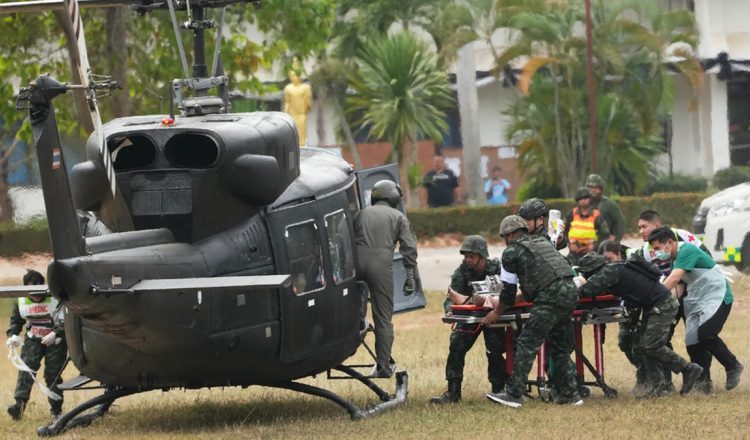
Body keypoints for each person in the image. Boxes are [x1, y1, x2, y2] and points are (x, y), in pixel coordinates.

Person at [484, 215, 582, 408]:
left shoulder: (511, 252)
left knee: (527, 343)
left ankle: (514, 394)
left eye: (504, 237)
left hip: (549, 297)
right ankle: (571, 395)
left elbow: (508, 291)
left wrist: (496, 313)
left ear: (509, 235)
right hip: (571, 293)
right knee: (560, 347)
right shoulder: (542, 242)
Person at [575, 252, 704, 397]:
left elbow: (585, 291)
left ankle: (688, 369)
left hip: (662, 305)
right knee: (644, 346)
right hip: (655, 305)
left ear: (591, 270)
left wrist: (581, 282)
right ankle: (659, 387)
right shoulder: (615, 268)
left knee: (651, 345)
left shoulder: (608, 272)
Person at [648, 226, 743, 394]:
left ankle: (732, 365)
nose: (656, 253)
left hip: (717, 296)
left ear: (669, 242)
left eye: (657, 248)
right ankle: (702, 383)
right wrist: (664, 305)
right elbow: (679, 289)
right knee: (692, 342)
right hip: (697, 301)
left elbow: (674, 278)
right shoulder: (675, 259)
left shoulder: (686, 251)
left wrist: (653, 298)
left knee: (706, 334)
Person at [635, 209, 711, 393]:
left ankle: (703, 382)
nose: (641, 231)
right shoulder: (645, 250)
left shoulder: (682, 236)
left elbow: (706, 259)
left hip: (692, 293)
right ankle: (665, 384)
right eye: (639, 228)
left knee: (695, 337)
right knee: (660, 337)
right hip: (668, 296)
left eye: (644, 226)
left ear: (657, 225)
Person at [431, 235, 508, 404]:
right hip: (470, 316)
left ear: (482, 256)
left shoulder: (497, 269)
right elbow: (451, 297)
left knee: (494, 350)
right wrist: (449, 311)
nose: (467, 260)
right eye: (466, 256)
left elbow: (507, 292)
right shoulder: (461, 272)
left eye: (471, 256)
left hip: (494, 315)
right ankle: (453, 392)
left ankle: (499, 389)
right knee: (456, 346)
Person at [354, 180, 419, 378]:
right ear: (394, 196)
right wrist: (410, 276)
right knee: (383, 317)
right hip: (381, 265)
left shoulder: (361, 213)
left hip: (355, 263)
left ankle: (358, 325)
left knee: (354, 310)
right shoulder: (398, 217)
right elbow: (409, 247)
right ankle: (383, 365)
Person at [6, 269, 66, 421]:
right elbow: (16, 321)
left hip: (55, 341)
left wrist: (56, 333)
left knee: (53, 374)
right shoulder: (21, 302)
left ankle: (56, 410)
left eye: (39, 291)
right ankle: (19, 406)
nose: (37, 296)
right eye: (32, 291)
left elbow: (67, 321)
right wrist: (13, 335)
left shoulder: (55, 299)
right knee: (25, 371)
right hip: (33, 339)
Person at [564, 187, 609, 265]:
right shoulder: (571, 214)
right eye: (581, 198)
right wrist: (569, 244)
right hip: (574, 253)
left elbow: (605, 233)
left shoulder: (596, 215)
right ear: (577, 201)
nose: (583, 200)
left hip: (591, 252)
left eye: (586, 198)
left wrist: (595, 245)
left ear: (590, 199)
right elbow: (564, 230)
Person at [585, 174, 626, 242]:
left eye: (596, 188)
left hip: (604, 242)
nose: (593, 190)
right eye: (590, 187)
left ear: (601, 189)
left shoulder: (609, 204)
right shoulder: (583, 205)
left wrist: (615, 239)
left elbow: (620, 222)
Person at [283, 67, 312, 146]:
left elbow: (308, 102)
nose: (293, 78)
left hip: (301, 114)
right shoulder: (288, 88)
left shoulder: (305, 88)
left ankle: (302, 146)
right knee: (292, 133)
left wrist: (306, 109)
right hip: (292, 115)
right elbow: (287, 102)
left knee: (301, 134)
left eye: (295, 75)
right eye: (292, 76)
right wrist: (285, 114)